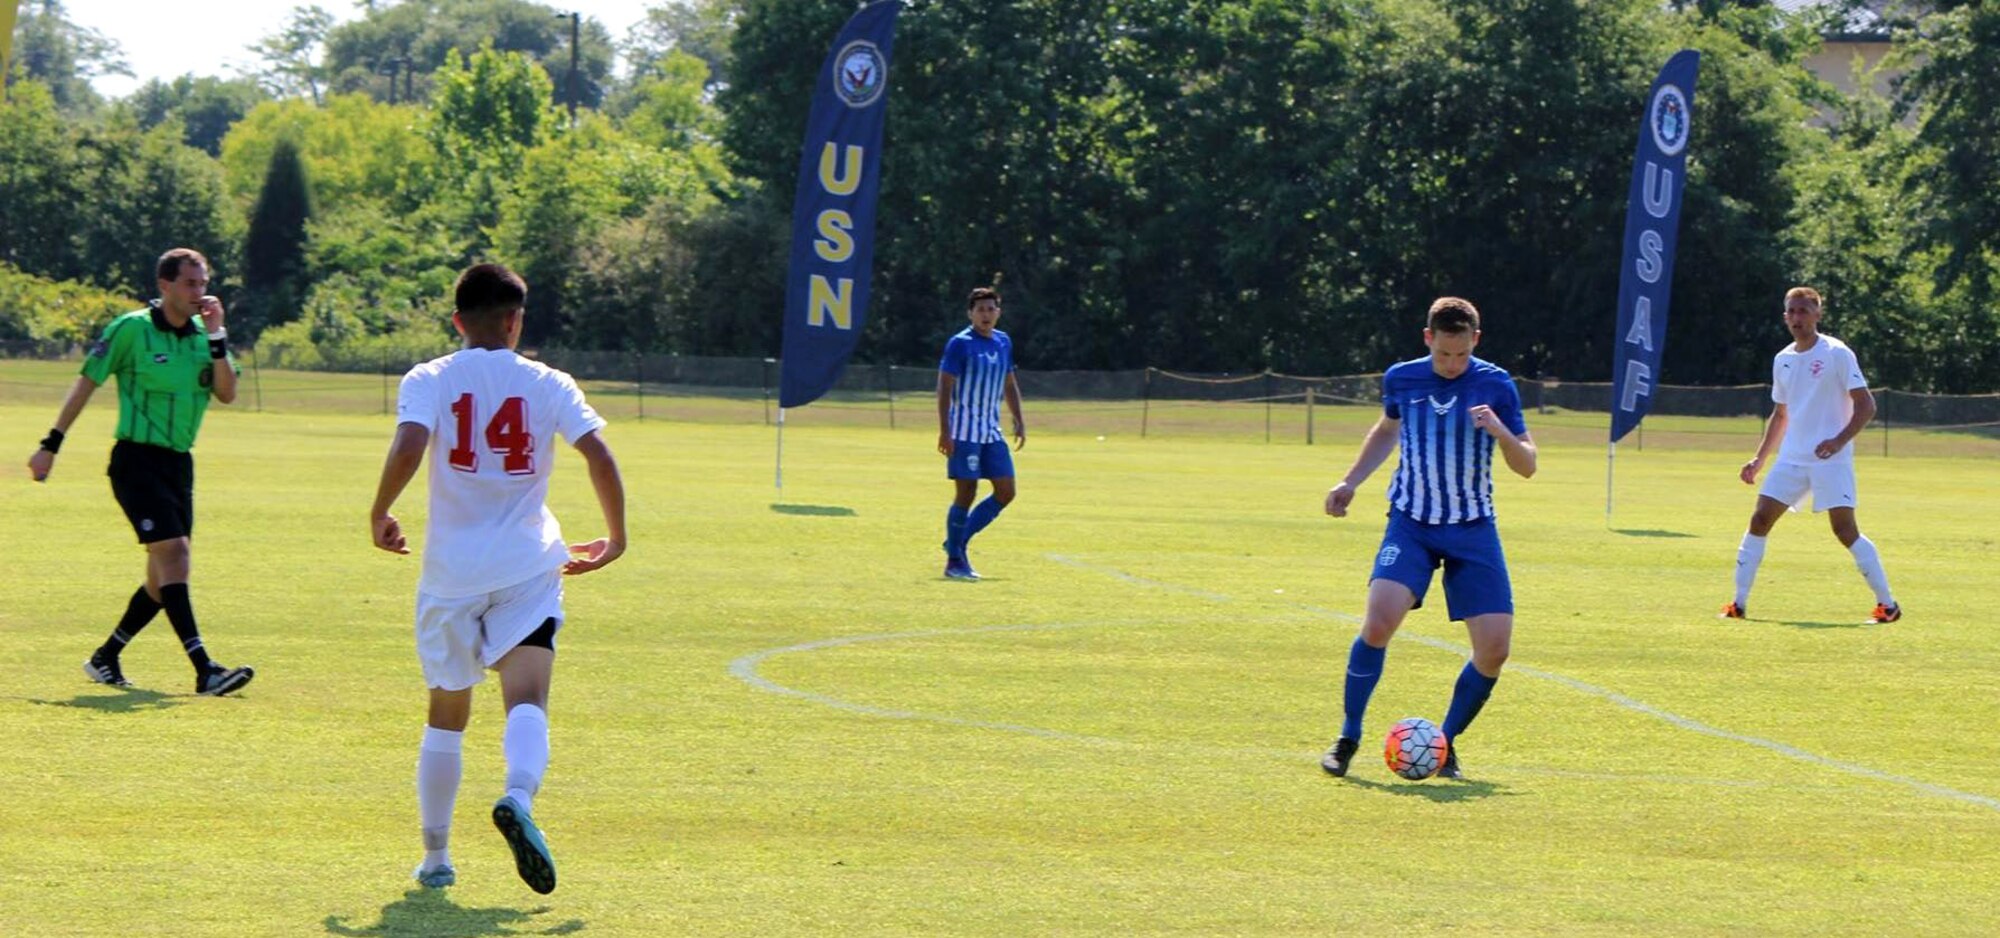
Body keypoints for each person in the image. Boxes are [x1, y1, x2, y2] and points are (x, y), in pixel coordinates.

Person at [368, 263, 627, 894]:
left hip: (452, 574)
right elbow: (598, 454)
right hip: (527, 567)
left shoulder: (430, 376)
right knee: (528, 701)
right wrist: (616, 537)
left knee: (446, 716)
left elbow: (408, 445)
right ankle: (517, 796)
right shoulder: (549, 381)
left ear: (457, 321)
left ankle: (436, 859)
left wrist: (380, 511)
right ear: (516, 320)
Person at [1318, 297, 1536, 780]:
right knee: (1378, 623)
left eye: (1461, 355)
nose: (1453, 365)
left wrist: (1500, 431)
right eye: (1444, 355)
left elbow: (1528, 465)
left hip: (1473, 528)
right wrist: (1350, 481)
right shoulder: (1403, 378)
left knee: (1495, 649)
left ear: (1475, 341)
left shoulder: (1496, 384)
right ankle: (1348, 736)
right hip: (1412, 523)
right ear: (1428, 339)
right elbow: (1387, 428)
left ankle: (1444, 744)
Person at [28, 248, 254, 697]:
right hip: (136, 461)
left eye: (203, 284)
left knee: (161, 577)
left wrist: (216, 335)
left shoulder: (203, 336)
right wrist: (50, 444)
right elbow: (87, 380)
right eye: (190, 284)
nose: (199, 292)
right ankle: (204, 668)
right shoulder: (130, 330)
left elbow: (227, 393)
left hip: (178, 464)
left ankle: (105, 656)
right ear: (164, 285)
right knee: (176, 555)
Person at [1723, 287, 1899, 623]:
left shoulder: (1836, 353)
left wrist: (1838, 440)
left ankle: (1888, 605)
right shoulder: (1783, 359)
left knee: (1844, 530)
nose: (1797, 317)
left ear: (1818, 315)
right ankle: (1738, 604)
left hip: (1831, 460)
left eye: (1804, 311)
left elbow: (1867, 406)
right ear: (1784, 316)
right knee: (1759, 520)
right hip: (1791, 459)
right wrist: (1759, 459)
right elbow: (1781, 414)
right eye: (1791, 311)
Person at [935, 285, 1026, 580]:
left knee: (1006, 491)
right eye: (980, 310)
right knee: (966, 492)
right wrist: (944, 430)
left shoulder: (1003, 342)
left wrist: (1018, 418)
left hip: (991, 431)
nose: (986, 314)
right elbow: (944, 387)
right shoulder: (960, 344)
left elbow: (1009, 383)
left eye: (991, 309)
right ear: (970, 314)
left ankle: (957, 542)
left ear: (998, 312)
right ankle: (954, 561)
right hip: (963, 432)